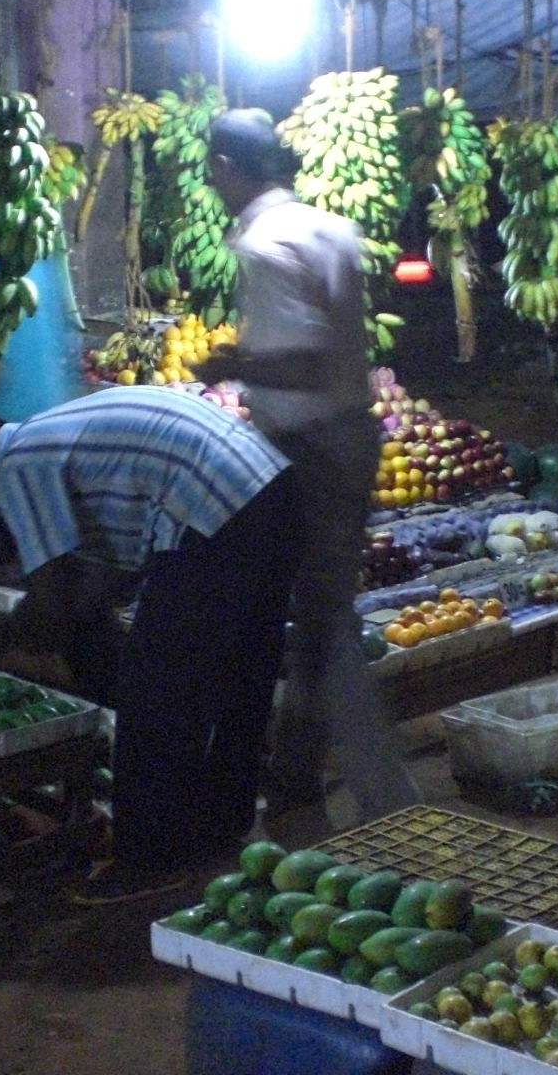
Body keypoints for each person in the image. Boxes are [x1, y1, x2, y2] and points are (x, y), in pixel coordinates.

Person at [0, 386, 300, 905]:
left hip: (215, 503)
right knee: (239, 671)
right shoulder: (62, 436)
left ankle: (147, 862)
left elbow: (52, 593)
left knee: (154, 692)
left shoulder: (19, 461)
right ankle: (219, 823)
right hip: (272, 487)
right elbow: (108, 577)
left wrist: (2, 640)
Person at [195, 107, 421, 824]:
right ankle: (299, 760)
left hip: (308, 450)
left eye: (211, 165)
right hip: (349, 435)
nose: (208, 177)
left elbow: (303, 356)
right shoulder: (328, 227)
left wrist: (234, 362)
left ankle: (319, 775)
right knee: (322, 610)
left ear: (228, 168)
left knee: (309, 616)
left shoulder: (265, 243)